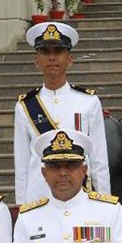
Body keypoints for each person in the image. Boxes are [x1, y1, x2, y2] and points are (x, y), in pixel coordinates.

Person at [13, 22, 110, 205]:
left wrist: (104, 203)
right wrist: (21, 208)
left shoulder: (88, 102)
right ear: (37, 61)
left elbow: (99, 160)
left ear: (70, 60)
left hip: (80, 196)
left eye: (58, 51)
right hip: (39, 196)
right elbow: (22, 166)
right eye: (45, 52)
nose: (52, 57)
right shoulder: (25, 106)